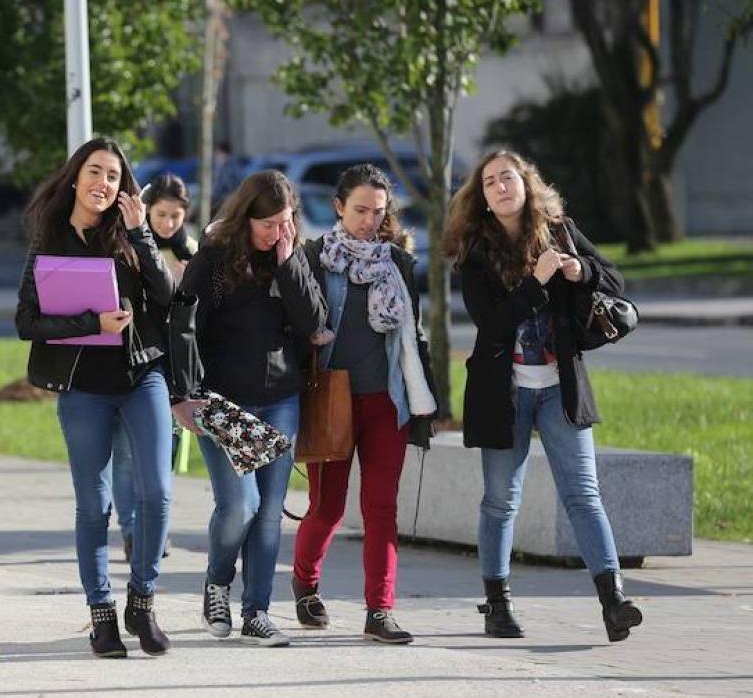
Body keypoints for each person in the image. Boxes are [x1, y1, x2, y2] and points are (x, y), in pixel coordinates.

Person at [442, 149, 644, 643]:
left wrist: (580, 272)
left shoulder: (560, 231)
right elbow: (491, 329)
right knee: (500, 502)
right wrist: (537, 282)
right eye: (489, 183)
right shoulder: (474, 253)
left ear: (527, 183)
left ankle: (614, 600)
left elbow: (614, 279)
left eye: (507, 177)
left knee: (584, 496)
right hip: (504, 392)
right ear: (482, 199)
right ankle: (497, 605)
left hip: (560, 387)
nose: (500, 187)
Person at [15, 137, 176, 658]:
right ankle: (101, 614)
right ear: (76, 176)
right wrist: (91, 324)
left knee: (157, 494)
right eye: (94, 171)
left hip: (141, 375)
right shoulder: (50, 238)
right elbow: (27, 322)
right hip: (83, 387)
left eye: (113, 175)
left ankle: (143, 600)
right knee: (94, 506)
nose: (103, 183)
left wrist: (141, 231)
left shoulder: (131, 233)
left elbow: (168, 296)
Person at [170, 170, 326, 647]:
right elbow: (184, 322)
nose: (278, 232)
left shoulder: (293, 256)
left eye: (286, 223)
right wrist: (184, 394)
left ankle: (256, 611)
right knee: (241, 506)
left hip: (280, 398)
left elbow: (315, 323)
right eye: (269, 225)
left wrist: (288, 264)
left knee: (270, 511)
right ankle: (218, 582)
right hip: (222, 401)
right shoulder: (215, 257)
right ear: (247, 218)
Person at [289, 163, 437, 644]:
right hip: (331, 400)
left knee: (381, 508)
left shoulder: (398, 264)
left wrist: (423, 403)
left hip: (385, 402)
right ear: (338, 207)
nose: (369, 220)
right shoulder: (314, 258)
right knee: (327, 508)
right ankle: (305, 583)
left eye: (377, 211)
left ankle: (380, 609)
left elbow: (413, 338)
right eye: (359, 210)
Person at [111, 172, 196, 562]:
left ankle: (154, 528)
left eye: (176, 216)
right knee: (128, 453)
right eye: (161, 214)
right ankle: (132, 530)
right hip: (133, 359)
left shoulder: (192, 253)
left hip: (174, 364)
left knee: (164, 454)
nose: (167, 224)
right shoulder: (128, 244)